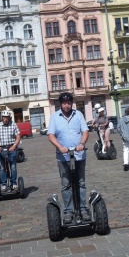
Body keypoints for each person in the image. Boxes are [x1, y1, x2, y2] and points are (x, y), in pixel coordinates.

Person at [48, 92, 90, 224]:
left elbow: (85, 131)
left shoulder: (78, 115)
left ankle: (83, 209)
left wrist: (82, 144)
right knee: (66, 184)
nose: (67, 105)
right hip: (63, 157)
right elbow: (51, 135)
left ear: (72, 103)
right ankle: (68, 211)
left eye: (69, 103)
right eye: (64, 103)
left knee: (81, 183)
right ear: (60, 104)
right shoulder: (54, 117)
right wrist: (60, 147)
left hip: (79, 155)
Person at [0, 110, 21, 192]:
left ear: (9, 118)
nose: (5, 119)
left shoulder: (13, 125)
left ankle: (14, 183)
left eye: (7, 117)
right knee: (2, 167)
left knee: (13, 167)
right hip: (1, 149)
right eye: (4, 117)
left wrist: (14, 145)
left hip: (11, 148)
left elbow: (18, 136)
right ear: (2, 118)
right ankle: (4, 184)